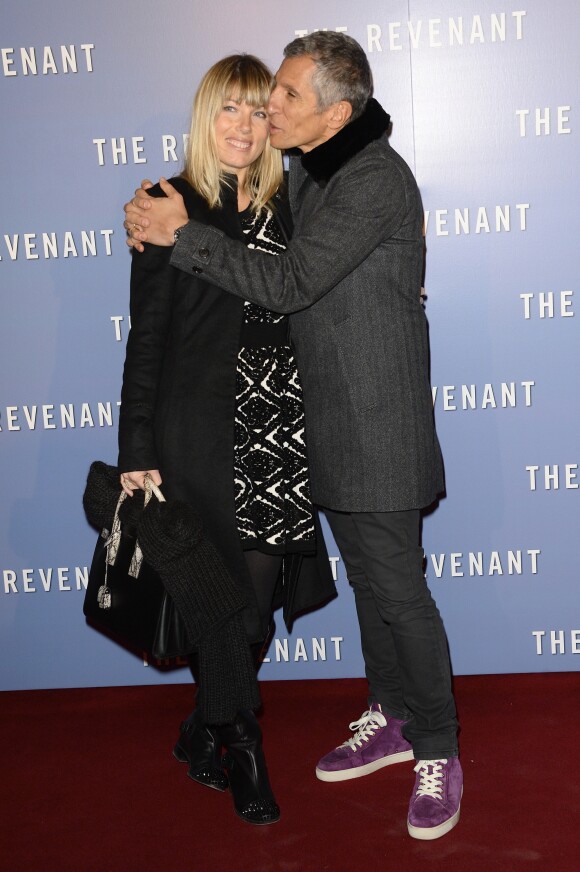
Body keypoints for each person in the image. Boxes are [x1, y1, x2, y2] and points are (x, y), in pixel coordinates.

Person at [124, 32, 463, 841]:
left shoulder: (371, 181)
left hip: (374, 428)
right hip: (319, 431)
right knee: (376, 593)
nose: (269, 110)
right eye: (258, 95)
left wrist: (180, 233)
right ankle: (387, 715)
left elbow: (291, 281)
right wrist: (154, 213)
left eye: (284, 98)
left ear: (333, 114)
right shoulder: (314, 171)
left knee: (398, 594)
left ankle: (440, 747)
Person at [118, 53, 336, 826]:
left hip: (278, 430)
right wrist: (136, 450)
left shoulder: (295, 202)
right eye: (228, 110)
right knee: (224, 607)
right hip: (196, 435)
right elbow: (147, 341)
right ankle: (240, 745)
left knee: (253, 603)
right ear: (206, 117)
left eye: (257, 110)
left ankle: (201, 723)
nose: (244, 126)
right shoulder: (167, 202)